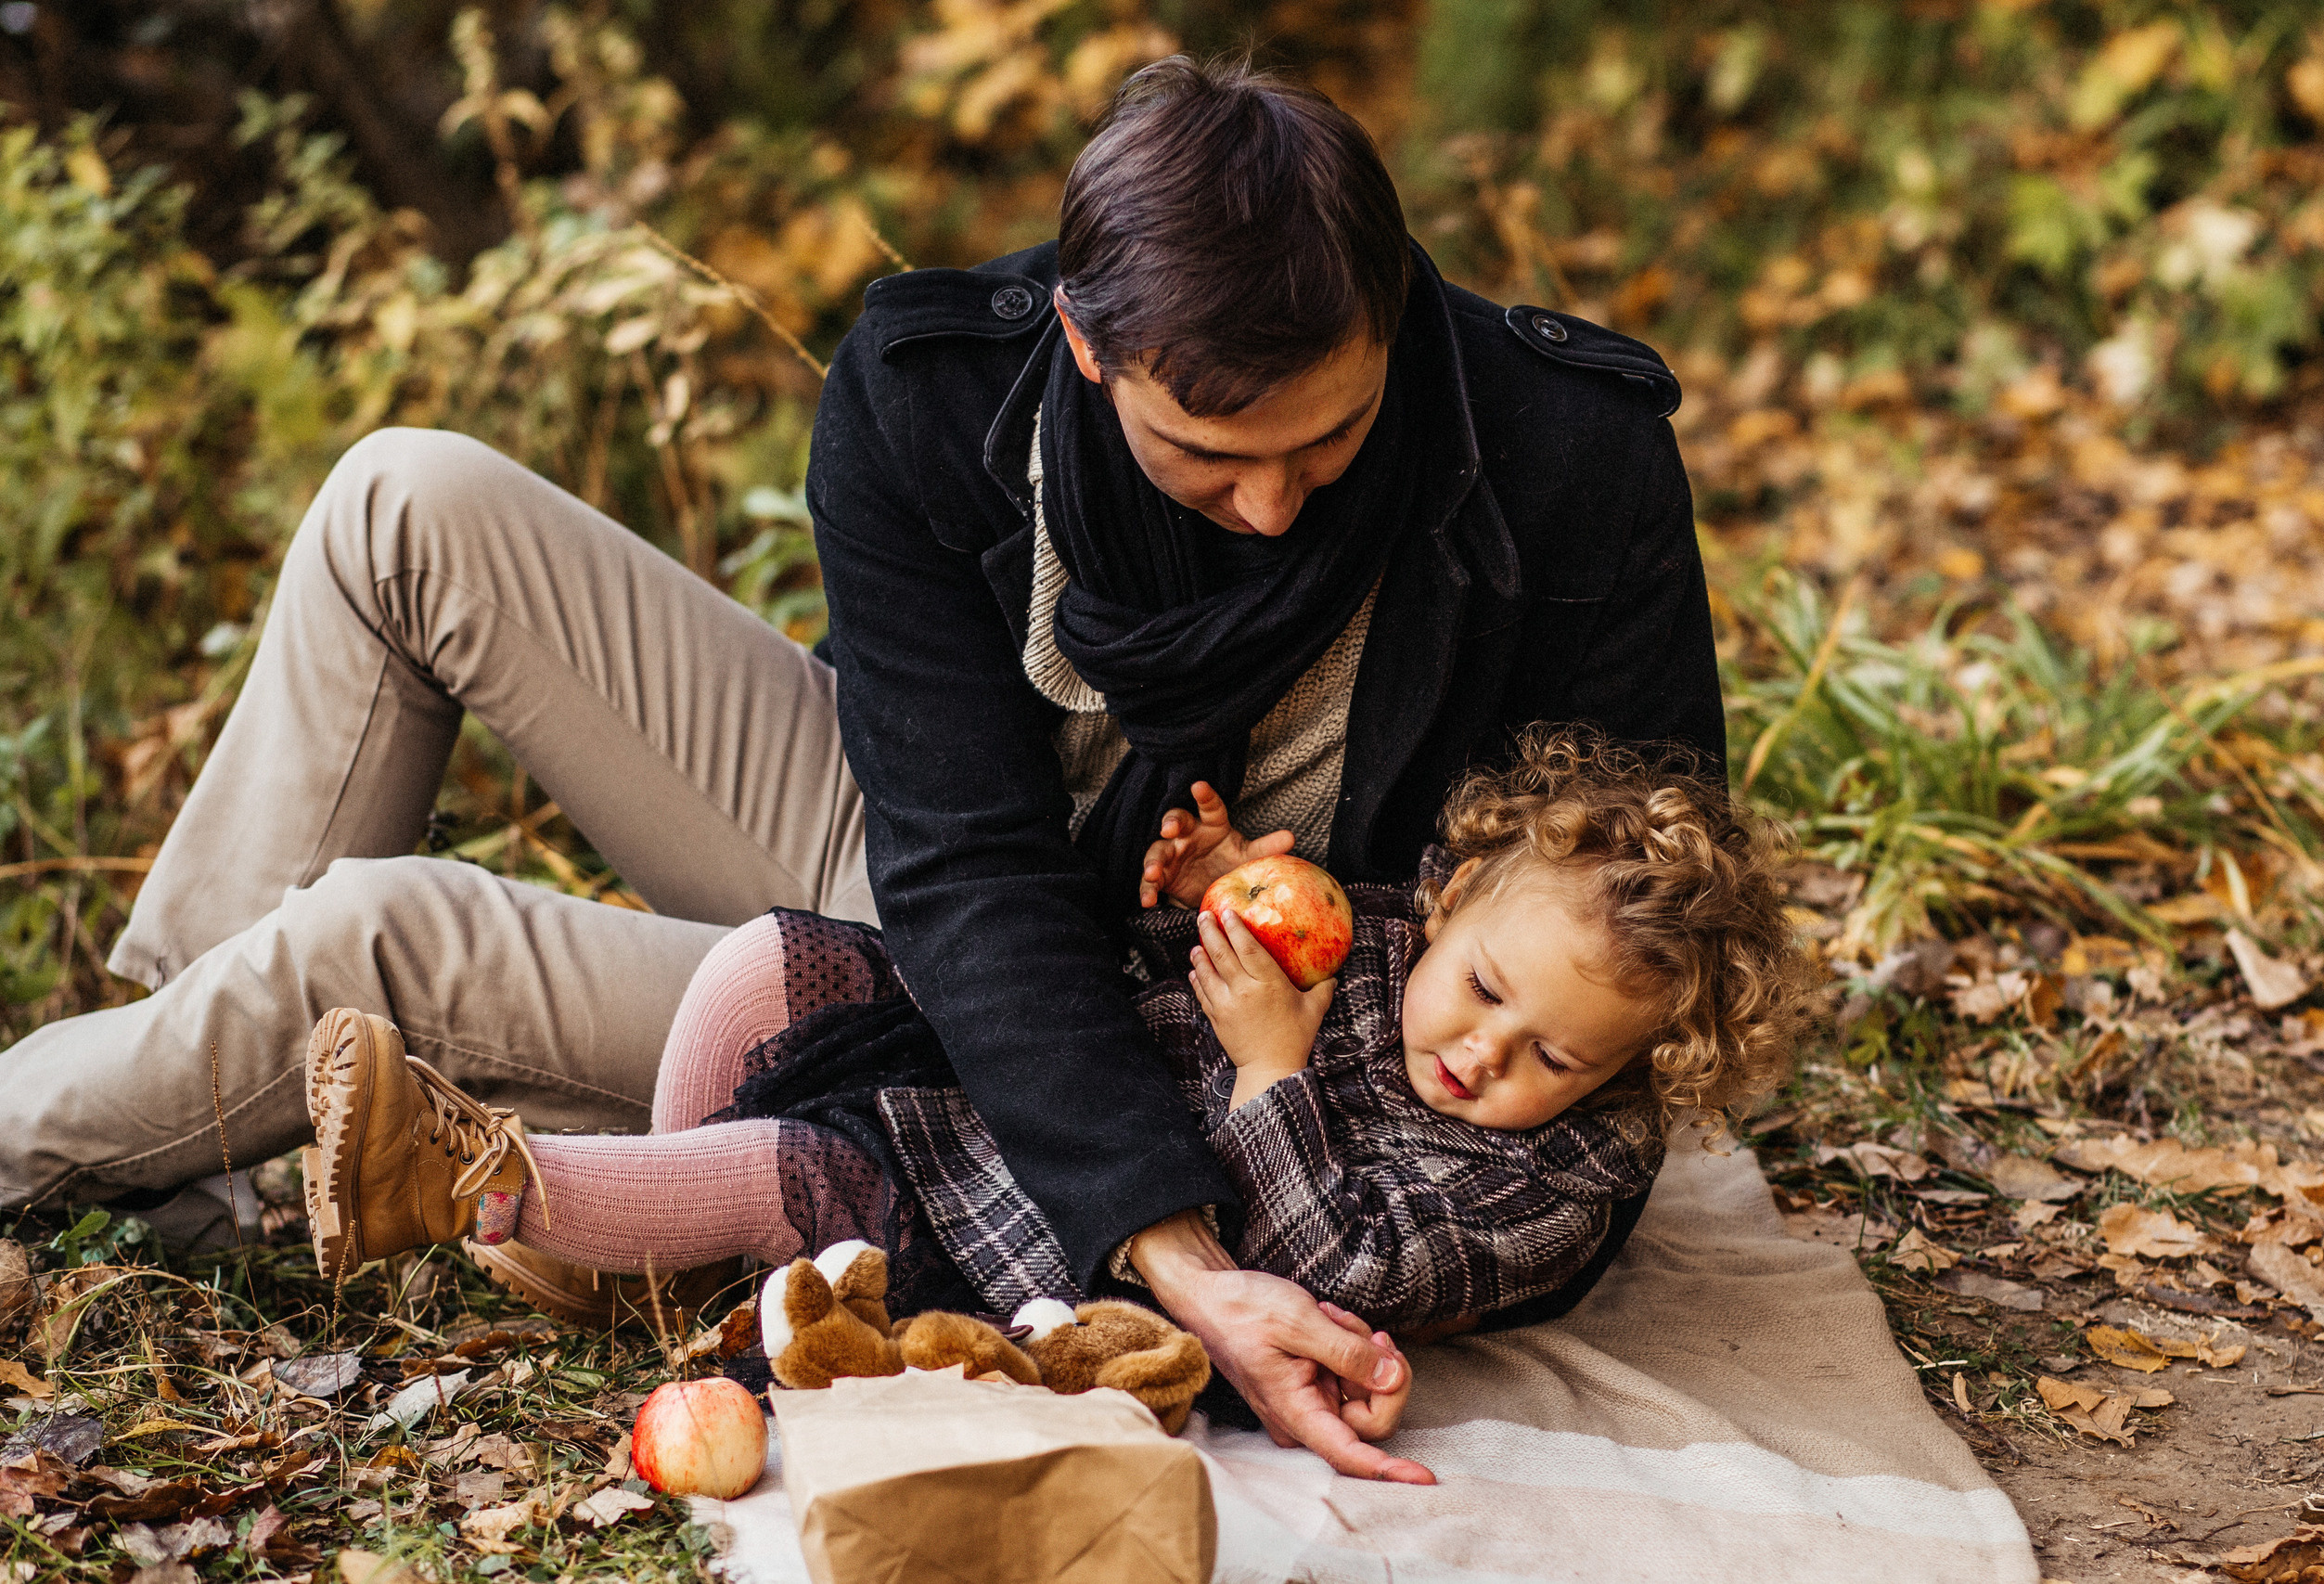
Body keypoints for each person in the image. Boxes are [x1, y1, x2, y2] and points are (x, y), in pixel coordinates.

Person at [0, 57, 1721, 1479]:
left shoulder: (1570, 460)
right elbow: (964, 863)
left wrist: (1180, 1245)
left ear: (1397, 318)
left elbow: (1643, 909)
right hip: (959, 880)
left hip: (1183, 1029)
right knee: (408, 501)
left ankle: (120, 1135)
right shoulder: (931, 396)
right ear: (1089, 343)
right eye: (1211, 458)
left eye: (1329, 444)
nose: (1279, 506)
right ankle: (200, 1122)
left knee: (383, 939)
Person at [298, 734, 1804, 1472]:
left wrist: (1278, 1069)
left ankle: (486, 1187)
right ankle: (649, 1245)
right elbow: (1130, 979)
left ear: (1629, 1076)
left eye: (1557, 1057)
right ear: (1457, 893)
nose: (1488, 1056)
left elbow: (1341, 1273)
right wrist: (1208, 897)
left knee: (811, 1170)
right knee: (773, 968)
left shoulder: (1550, 1189)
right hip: (1036, 1109)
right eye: (1485, 991)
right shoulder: (1370, 934)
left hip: (1072, 1258)